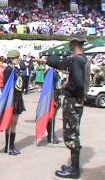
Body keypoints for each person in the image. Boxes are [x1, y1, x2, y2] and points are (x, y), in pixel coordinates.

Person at [47, 32, 88, 179]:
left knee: (71, 134)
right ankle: (73, 166)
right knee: (73, 132)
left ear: (75, 43)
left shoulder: (77, 60)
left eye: (71, 43)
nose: (70, 46)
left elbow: (78, 84)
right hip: (77, 101)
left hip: (73, 102)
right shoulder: (82, 59)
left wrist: (66, 86)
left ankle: (74, 170)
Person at [3, 50, 26, 156]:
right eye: (17, 58)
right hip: (12, 99)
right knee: (10, 123)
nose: (19, 59)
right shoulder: (8, 70)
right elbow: (7, 86)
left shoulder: (16, 69)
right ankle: (8, 146)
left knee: (14, 123)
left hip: (18, 97)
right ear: (12, 59)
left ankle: (12, 145)